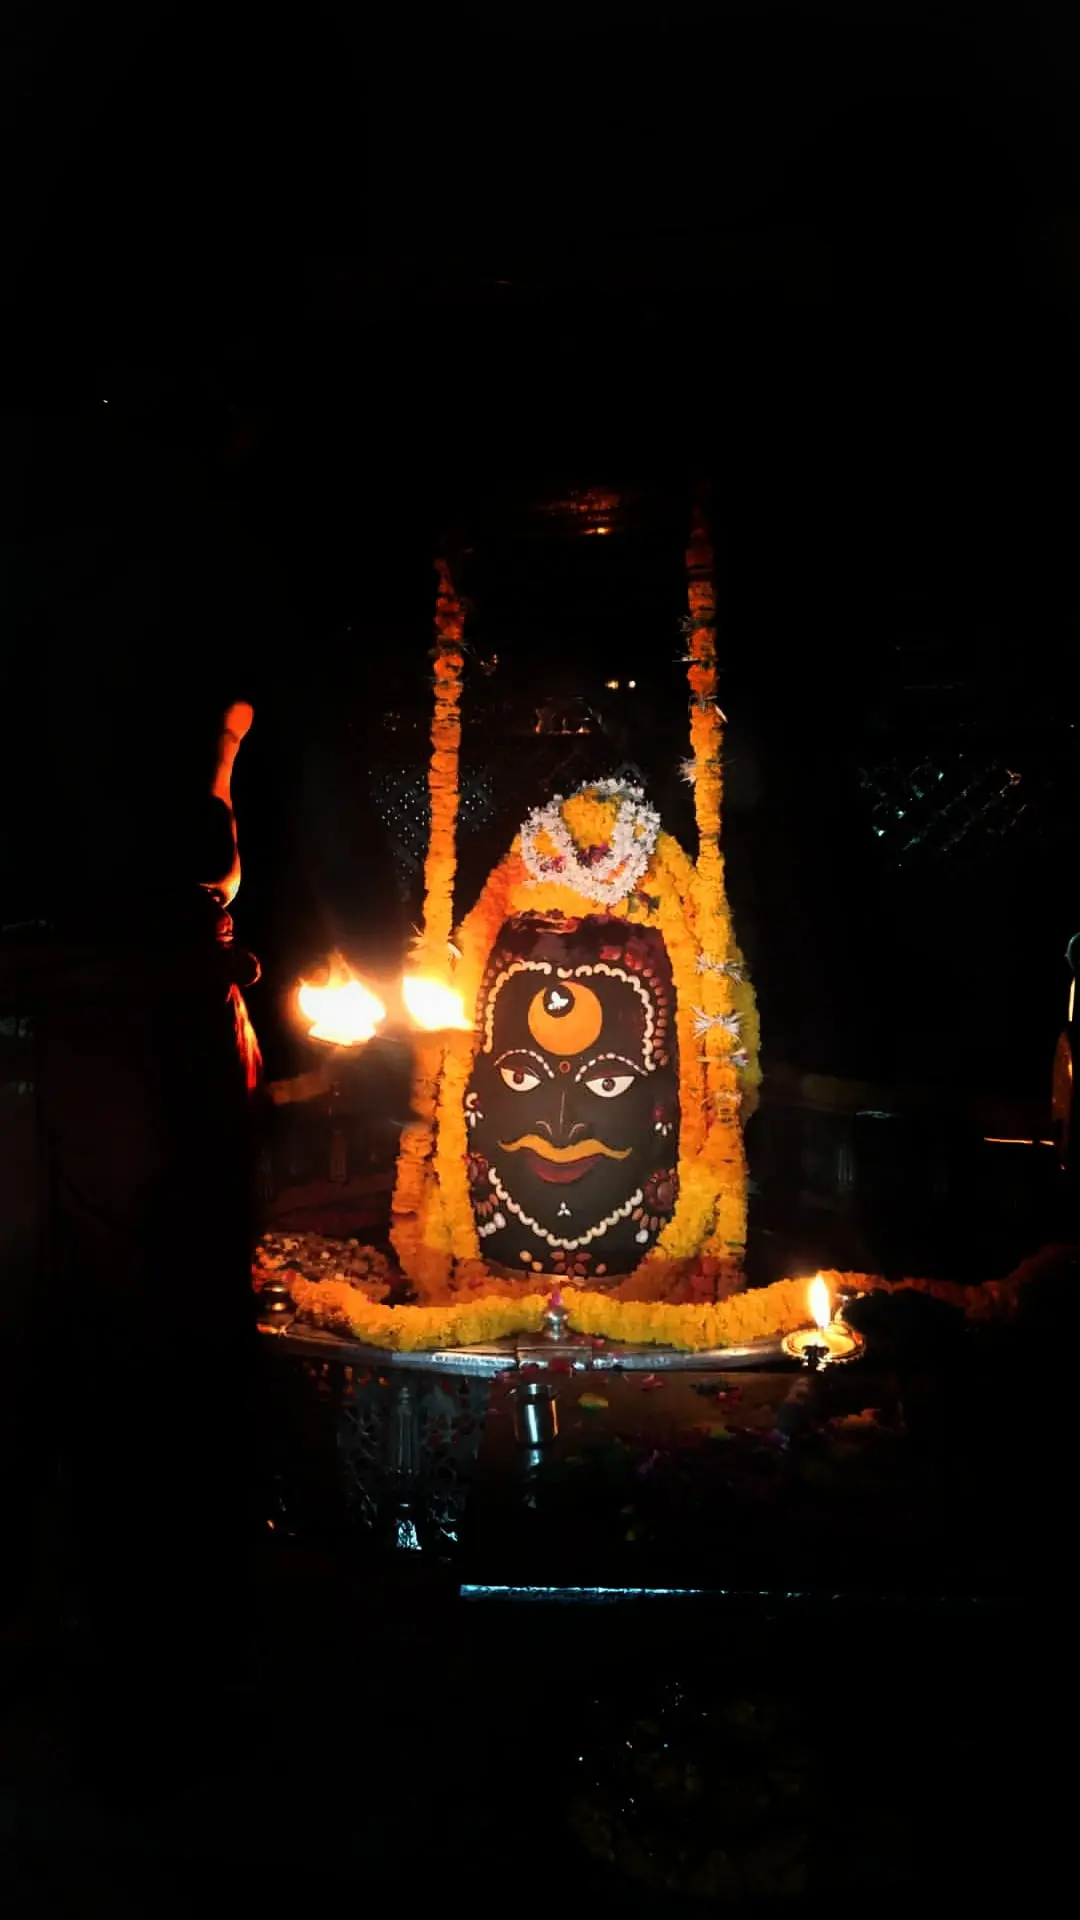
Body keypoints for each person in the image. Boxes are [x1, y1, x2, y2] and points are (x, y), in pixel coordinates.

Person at [0, 412, 270, 1783]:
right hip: (129, 1004)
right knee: (146, 1380)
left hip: (146, 996)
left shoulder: (163, 525)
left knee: (149, 1379)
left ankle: (159, 1699)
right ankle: (160, 1696)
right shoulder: (176, 521)